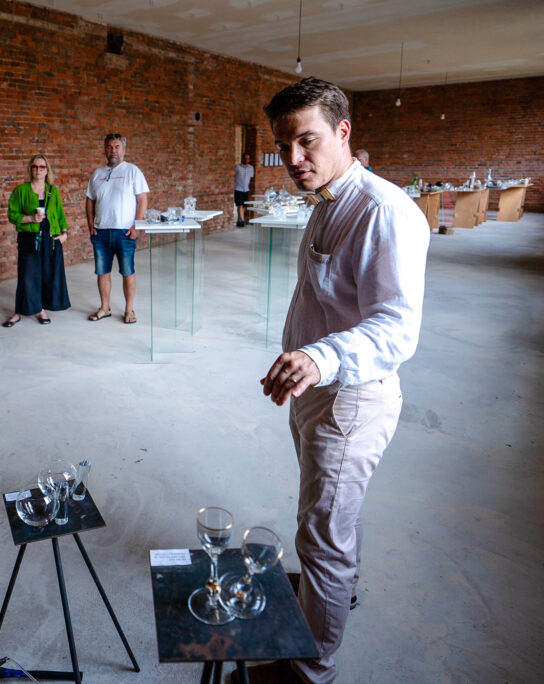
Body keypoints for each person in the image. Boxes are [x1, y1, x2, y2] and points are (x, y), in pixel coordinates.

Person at [253, 78, 429, 684]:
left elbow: (396, 328)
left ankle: (311, 671)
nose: (293, 159)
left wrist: (318, 358)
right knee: (330, 517)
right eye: (284, 145)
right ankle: (332, 589)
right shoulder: (328, 198)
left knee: (322, 537)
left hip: (351, 400)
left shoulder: (382, 210)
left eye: (307, 141)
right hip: (317, 391)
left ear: (343, 131)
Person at [85, 132, 149, 324]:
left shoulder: (133, 171)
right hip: (101, 231)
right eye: (109, 147)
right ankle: (104, 308)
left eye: (117, 147)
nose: (113, 151)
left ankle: (129, 310)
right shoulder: (97, 174)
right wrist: (90, 224)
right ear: (105, 149)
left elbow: (142, 200)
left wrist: (137, 226)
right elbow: (89, 200)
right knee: (102, 271)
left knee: (127, 271)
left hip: (125, 232)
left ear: (124, 149)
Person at [3, 154, 70, 326]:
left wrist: (64, 233)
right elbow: (12, 215)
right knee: (27, 275)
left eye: (42, 167)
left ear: (47, 170)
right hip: (29, 238)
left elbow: (60, 215)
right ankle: (19, 311)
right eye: (34, 166)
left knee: (47, 274)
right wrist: (30, 218)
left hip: (50, 238)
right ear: (30, 169)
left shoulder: (53, 191)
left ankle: (41, 310)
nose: (38, 170)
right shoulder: (21, 190)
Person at [234, 153, 254, 227]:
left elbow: (250, 178)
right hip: (238, 188)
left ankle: (239, 221)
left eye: (248, 159)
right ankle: (242, 220)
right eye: (245, 158)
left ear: (249, 159)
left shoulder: (251, 168)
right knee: (240, 205)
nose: (246, 160)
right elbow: (233, 176)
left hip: (246, 189)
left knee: (244, 206)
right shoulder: (237, 167)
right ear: (242, 159)